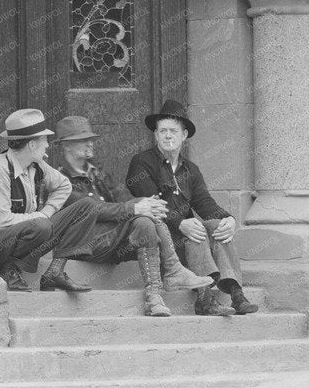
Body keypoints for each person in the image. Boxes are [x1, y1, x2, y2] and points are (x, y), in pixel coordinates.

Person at [51, 115, 208, 316]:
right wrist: (135, 208)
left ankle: (158, 296)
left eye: (90, 138)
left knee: (146, 219)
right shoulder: (59, 178)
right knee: (142, 217)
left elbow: (121, 198)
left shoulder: (97, 173)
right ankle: (170, 273)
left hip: (111, 241)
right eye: (83, 140)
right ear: (66, 146)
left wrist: (144, 204)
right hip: (84, 245)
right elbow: (94, 210)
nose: (90, 143)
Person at [125, 99, 260, 316]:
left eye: (173, 131)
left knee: (215, 224)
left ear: (184, 135)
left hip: (190, 236)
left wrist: (229, 219)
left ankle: (236, 294)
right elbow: (153, 205)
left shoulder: (191, 169)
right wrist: (180, 224)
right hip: (161, 238)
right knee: (196, 230)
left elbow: (205, 203)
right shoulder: (141, 162)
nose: (168, 136)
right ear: (156, 135)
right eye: (162, 131)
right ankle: (204, 298)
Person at [0, 108, 92, 293]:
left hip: (27, 234)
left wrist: (47, 212)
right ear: (31, 145)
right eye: (44, 140)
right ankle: (7, 267)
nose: (47, 145)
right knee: (41, 227)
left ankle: (54, 271)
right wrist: (40, 218)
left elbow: (64, 186)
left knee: (86, 206)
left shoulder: (36, 166)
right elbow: (2, 222)